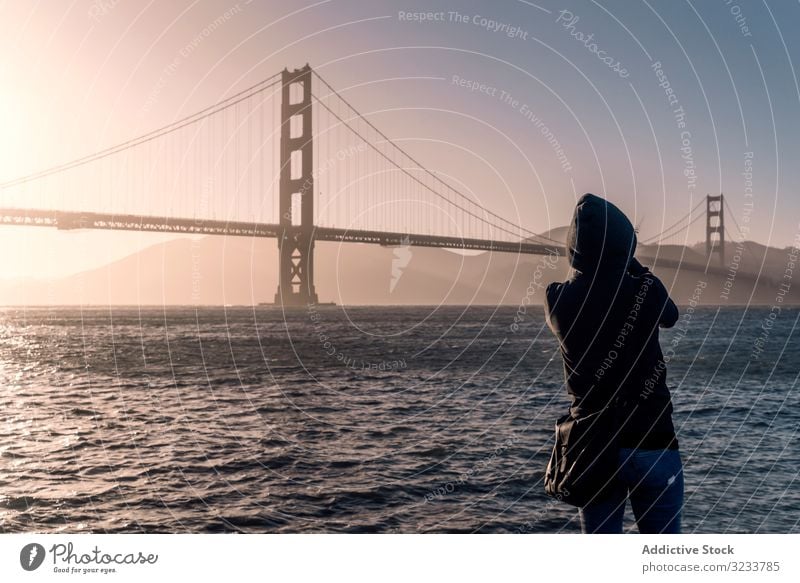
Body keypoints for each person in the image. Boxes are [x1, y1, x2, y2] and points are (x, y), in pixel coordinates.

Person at [544, 193, 683, 534]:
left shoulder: (557, 298)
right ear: (625, 246)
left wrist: (590, 256)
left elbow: (583, 278)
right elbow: (671, 316)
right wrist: (630, 261)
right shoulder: (645, 291)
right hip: (653, 440)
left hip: (594, 449)